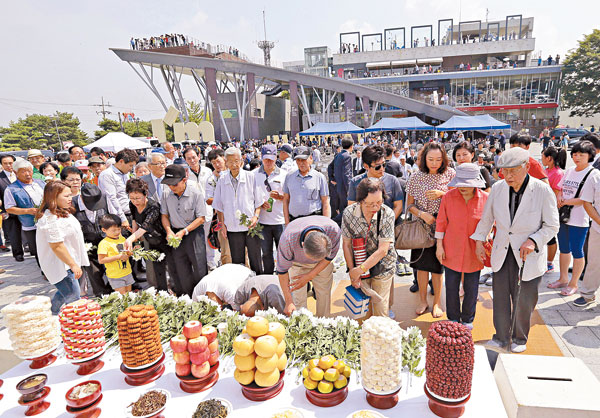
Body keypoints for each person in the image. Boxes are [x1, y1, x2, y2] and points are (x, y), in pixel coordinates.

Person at [473, 147, 559, 353]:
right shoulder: (498, 188)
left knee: (524, 299)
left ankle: (519, 338)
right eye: (504, 171)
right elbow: (487, 218)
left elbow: (552, 225)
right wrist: (478, 241)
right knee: (500, 295)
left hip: (528, 252)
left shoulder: (542, 190)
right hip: (502, 250)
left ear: (527, 167)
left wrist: (534, 240)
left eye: (513, 171)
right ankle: (501, 336)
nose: (508, 176)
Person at [406, 142, 456, 317]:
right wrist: (422, 214)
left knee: (438, 265)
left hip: (444, 224)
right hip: (422, 224)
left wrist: (443, 194)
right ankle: (422, 300)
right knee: (421, 266)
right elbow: (409, 205)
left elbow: (459, 197)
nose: (434, 163)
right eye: (430, 159)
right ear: (423, 159)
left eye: (438, 159)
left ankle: (437, 303)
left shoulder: (451, 174)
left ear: (443, 159)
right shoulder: (416, 177)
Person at [435, 164, 488, 327]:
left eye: (467, 184)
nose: (463, 187)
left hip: (475, 250)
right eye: (461, 183)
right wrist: (439, 246)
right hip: (451, 248)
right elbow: (441, 222)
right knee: (451, 286)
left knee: (472, 288)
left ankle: (467, 319)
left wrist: (483, 242)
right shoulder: (448, 197)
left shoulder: (485, 199)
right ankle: (452, 317)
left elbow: (489, 224)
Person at [342, 178, 397, 317]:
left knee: (380, 309)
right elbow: (346, 244)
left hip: (383, 264)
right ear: (360, 201)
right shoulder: (349, 213)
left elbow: (383, 250)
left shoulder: (387, 213)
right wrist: (353, 271)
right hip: (359, 262)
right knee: (362, 310)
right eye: (369, 204)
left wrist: (360, 270)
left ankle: (381, 337)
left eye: (379, 202)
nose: (375, 207)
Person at [547, 141, 596, 296]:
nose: (577, 158)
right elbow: (561, 188)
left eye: (581, 155)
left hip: (580, 219)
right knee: (564, 249)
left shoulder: (593, 174)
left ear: (590, 156)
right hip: (564, 216)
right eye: (575, 154)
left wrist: (566, 201)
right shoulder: (569, 171)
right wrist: (560, 198)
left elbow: (586, 199)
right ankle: (562, 278)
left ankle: (573, 283)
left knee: (577, 250)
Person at [35, 181, 88, 314]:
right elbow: (57, 246)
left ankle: (51, 312)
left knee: (64, 291)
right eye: (66, 196)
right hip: (62, 264)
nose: (70, 198)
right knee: (73, 297)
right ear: (53, 197)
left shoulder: (63, 211)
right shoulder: (49, 219)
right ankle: (74, 325)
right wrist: (73, 265)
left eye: (70, 195)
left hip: (71, 261)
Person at [212, 147, 263, 274]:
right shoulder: (222, 180)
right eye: (230, 161)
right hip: (232, 228)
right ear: (226, 162)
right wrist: (222, 224)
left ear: (241, 161)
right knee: (237, 262)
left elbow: (259, 202)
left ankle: (259, 288)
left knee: (255, 259)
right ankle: (241, 289)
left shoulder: (251, 177)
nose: (234, 165)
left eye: (236, 161)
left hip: (251, 226)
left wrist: (255, 217)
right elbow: (218, 206)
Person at [277, 216, 341, 317]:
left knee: (324, 293)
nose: (313, 262)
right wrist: (289, 301)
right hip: (298, 264)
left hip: (323, 264)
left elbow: (328, 258)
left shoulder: (334, 231)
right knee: (298, 299)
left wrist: (310, 275)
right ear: (302, 245)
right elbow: (282, 271)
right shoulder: (288, 239)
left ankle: (323, 323)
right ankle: (303, 324)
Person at [161, 164, 208, 296]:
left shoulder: (196, 193)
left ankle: (202, 297)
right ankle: (187, 296)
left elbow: (201, 218)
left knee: (199, 268)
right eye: (168, 184)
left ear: (184, 180)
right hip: (176, 234)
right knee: (181, 268)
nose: (171, 187)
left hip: (193, 233)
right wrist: (169, 230)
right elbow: (164, 215)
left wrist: (184, 231)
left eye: (174, 184)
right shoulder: (166, 194)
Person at [124, 178, 171, 291]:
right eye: (132, 198)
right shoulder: (132, 204)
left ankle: (170, 290)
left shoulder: (153, 207)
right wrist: (135, 237)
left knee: (168, 267)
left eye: (138, 198)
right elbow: (135, 219)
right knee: (155, 267)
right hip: (149, 240)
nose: (135, 201)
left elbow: (145, 226)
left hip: (162, 239)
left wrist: (130, 239)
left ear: (145, 194)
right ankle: (161, 291)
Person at [72, 183, 113, 296]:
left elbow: (111, 215)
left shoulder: (104, 198)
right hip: (86, 242)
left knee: (112, 267)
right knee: (93, 270)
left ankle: (113, 289)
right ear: (81, 198)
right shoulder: (73, 204)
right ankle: (101, 293)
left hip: (104, 239)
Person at [4, 159, 45, 266]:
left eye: (29, 171)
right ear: (16, 173)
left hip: (47, 220)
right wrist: (27, 211)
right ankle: (44, 271)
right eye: (23, 171)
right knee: (37, 248)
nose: (28, 174)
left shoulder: (40, 183)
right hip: (31, 224)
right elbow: (9, 208)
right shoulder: (11, 188)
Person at [254, 145, 287, 274]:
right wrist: (260, 204)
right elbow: (250, 196)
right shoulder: (254, 175)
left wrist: (280, 197)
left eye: (271, 159)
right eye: (266, 159)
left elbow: (289, 197)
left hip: (280, 221)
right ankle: (267, 276)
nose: (268, 162)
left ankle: (283, 275)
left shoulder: (284, 175)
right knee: (266, 252)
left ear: (276, 158)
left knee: (283, 252)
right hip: (262, 222)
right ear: (261, 158)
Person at [183, 147, 217, 270]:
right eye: (189, 158)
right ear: (185, 160)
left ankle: (211, 263)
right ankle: (198, 264)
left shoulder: (208, 171)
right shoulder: (185, 174)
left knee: (208, 237)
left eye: (194, 157)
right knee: (196, 239)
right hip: (192, 213)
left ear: (199, 156)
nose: (192, 160)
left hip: (207, 210)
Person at [575, 158, 600, 306]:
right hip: (598, 228)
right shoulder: (595, 177)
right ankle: (588, 294)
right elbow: (586, 202)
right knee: (594, 262)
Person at [283, 146, 330, 223]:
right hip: (294, 221)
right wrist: (287, 222)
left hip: (314, 221)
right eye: (298, 160)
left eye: (304, 160)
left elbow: (325, 202)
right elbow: (286, 200)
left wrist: (326, 223)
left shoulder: (319, 177)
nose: (301, 163)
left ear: (311, 158)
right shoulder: (289, 177)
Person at [98, 148, 139, 231]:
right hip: (118, 218)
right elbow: (112, 198)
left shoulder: (125, 174)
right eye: (130, 165)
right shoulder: (107, 175)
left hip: (130, 214)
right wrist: (122, 219)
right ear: (121, 161)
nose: (131, 169)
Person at [541, 146, 567, 273]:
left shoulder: (558, 173)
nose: (541, 158)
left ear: (549, 158)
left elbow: (555, 194)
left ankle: (549, 263)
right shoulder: (546, 170)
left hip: (551, 209)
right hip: (542, 207)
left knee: (550, 237)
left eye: (543, 156)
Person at [205, 148, 232, 265]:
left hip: (238, 216)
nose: (216, 165)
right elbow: (208, 199)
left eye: (218, 161)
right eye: (213, 163)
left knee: (243, 248)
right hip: (222, 218)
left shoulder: (234, 173)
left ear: (224, 159)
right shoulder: (211, 179)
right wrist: (223, 199)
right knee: (225, 249)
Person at [97, 214, 134, 294]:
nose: (117, 232)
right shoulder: (104, 243)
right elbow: (101, 260)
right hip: (115, 276)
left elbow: (126, 253)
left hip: (127, 272)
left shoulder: (122, 238)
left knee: (129, 295)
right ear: (104, 230)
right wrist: (118, 257)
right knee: (123, 297)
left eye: (119, 229)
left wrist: (132, 251)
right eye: (113, 230)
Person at [0, 154, 19, 257]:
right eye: (5, 163)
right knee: (13, 234)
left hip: (24, 209)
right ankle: (18, 254)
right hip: (9, 210)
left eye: (10, 163)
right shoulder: (0, 178)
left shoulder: (20, 174)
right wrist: (2, 211)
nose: (8, 165)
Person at [333, 138, 354, 218]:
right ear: (352, 146)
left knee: (342, 209)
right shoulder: (347, 156)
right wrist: (349, 189)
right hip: (345, 188)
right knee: (347, 211)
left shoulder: (338, 155)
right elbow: (347, 174)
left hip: (339, 186)